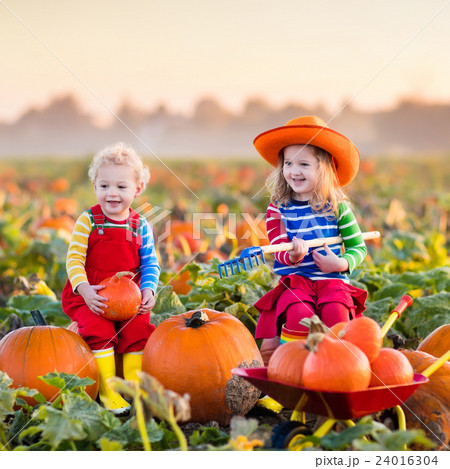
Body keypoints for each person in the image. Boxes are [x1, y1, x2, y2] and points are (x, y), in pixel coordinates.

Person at [252, 116, 368, 365]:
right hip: (297, 281)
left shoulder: (338, 208)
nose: (294, 171)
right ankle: (292, 367)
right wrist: (292, 256)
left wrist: (341, 264)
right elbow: (277, 246)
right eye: (289, 163)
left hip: (332, 281)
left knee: (336, 315)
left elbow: (358, 247)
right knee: (298, 314)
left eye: (304, 164)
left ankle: (337, 367)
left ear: (323, 168)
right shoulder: (278, 209)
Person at [62, 142, 160, 414]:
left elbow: (150, 262)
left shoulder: (140, 224)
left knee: (138, 331)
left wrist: (149, 290)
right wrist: (84, 290)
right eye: (104, 186)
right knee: (101, 331)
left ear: (137, 189)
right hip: (91, 295)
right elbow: (74, 259)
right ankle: (108, 391)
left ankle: (134, 387)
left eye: (121, 187)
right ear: (95, 186)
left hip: (129, 298)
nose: (112, 193)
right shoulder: (89, 221)